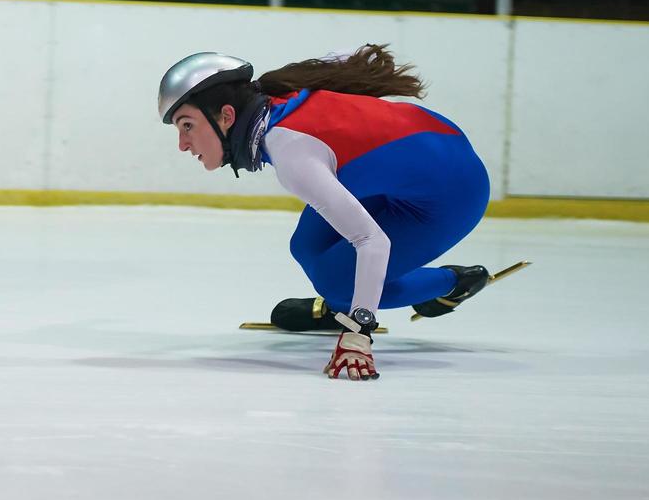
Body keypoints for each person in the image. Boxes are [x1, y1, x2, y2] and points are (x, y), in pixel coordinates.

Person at [158, 45, 493, 381]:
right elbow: (344, 57)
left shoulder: (291, 155)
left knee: (337, 285)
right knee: (306, 245)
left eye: (187, 126)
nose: (183, 144)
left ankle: (449, 284)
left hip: (453, 192)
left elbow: (371, 241)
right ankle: (345, 297)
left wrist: (358, 332)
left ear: (227, 116)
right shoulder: (277, 95)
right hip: (431, 148)